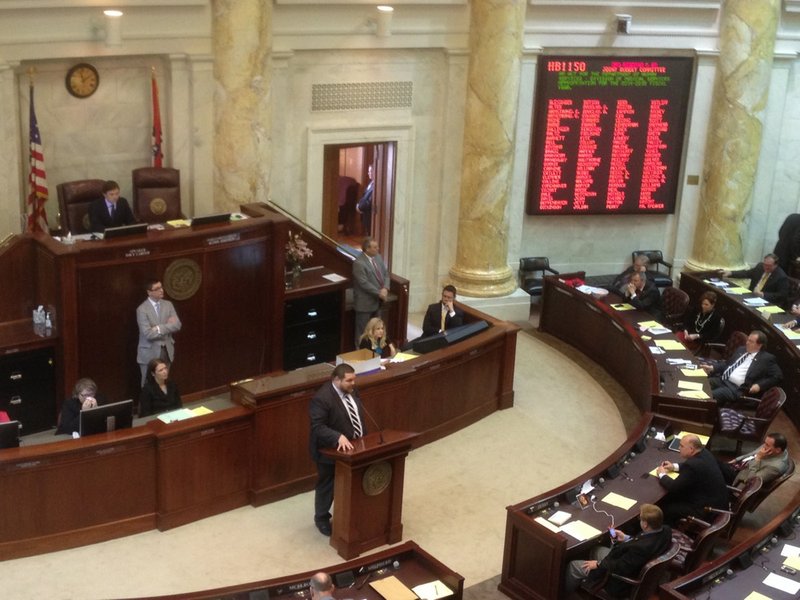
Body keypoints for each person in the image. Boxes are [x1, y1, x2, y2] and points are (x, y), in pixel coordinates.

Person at [564, 504, 671, 597]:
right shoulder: (666, 530)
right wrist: (626, 538)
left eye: (641, 519)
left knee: (573, 566)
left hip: (617, 580)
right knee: (596, 550)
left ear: (645, 524)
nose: (640, 520)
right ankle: (589, 581)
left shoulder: (641, 549)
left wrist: (598, 564)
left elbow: (621, 567)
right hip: (628, 563)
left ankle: (565, 594)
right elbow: (641, 541)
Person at [309, 363, 366, 536]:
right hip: (329, 451)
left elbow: (355, 415)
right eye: (349, 380)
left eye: (354, 379)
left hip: (355, 446)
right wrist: (337, 437)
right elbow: (317, 427)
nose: (353, 383)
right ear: (336, 380)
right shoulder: (322, 398)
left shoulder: (352, 391)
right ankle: (321, 518)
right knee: (328, 485)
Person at [656, 434, 729, 525]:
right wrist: (674, 466)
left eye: (682, 446)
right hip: (718, 503)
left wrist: (661, 474)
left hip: (706, 510)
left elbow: (673, 487)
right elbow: (692, 467)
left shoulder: (692, 465)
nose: (679, 448)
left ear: (691, 449)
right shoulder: (705, 453)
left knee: (664, 508)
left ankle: (666, 529)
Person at [700, 330, 782, 405]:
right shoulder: (741, 349)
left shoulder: (766, 359)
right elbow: (727, 364)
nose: (747, 343)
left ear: (759, 345)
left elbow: (777, 376)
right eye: (748, 340)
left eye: (751, 341)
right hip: (722, 380)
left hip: (734, 389)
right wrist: (712, 367)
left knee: (708, 395)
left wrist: (759, 385)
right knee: (700, 384)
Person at [136, 279, 182, 384]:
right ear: (149, 292)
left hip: (167, 350)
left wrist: (158, 328)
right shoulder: (142, 309)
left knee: (164, 382)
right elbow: (148, 334)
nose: (161, 290)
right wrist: (168, 325)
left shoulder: (168, 305)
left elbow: (177, 325)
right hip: (149, 353)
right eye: (157, 289)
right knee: (149, 383)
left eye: (161, 287)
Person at [352, 237, 389, 347]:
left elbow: (386, 274)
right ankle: (360, 356)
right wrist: (379, 292)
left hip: (378, 301)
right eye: (375, 247)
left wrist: (385, 288)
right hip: (365, 303)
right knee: (362, 332)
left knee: (378, 330)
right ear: (367, 249)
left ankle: (377, 352)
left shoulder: (378, 257)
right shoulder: (359, 263)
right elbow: (363, 283)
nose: (378, 248)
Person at [719, 432, 790, 488]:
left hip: (739, 479)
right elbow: (751, 454)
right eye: (764, 443)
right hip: (738, 466)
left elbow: (751, 481)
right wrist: (735, 460)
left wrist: (758, 458)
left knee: (710, 466)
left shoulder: (775, 468)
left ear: (778, 450)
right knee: (713, 462)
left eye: (767, 445)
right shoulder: (775, 449)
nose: (764, 446)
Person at [725, 253, 789, 307]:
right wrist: (730, 273)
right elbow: (746, 273)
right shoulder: (760, 267)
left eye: (769, 266)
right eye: (765, 264)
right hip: (750, 297)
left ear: (776, 265)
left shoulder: (781, 277)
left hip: (765, 303)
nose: (765, 267)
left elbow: (782, 295)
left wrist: (763, 294)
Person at [355, 165, 374, 236]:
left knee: (370, 236)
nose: (368, 173)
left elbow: (369, 202)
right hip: (365, 216)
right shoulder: (371, 183)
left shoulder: (376, 185)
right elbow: (364, 197)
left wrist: (359, 207)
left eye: (370, 171)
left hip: (370, 216)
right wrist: (358, 204)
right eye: (369, 171)